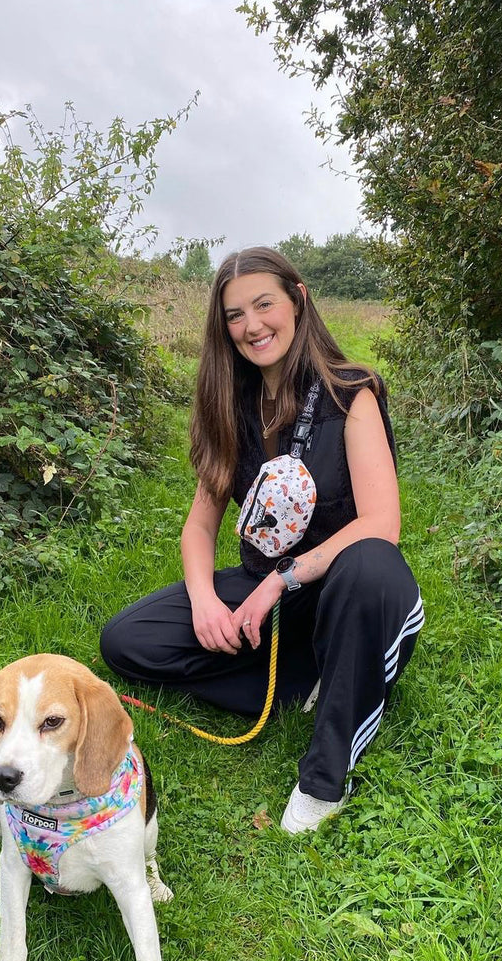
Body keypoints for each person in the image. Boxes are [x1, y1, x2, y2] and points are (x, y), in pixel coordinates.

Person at [100, 247, 423, 832]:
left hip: (345, 588)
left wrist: (281, 579)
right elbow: (200, 525)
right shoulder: (231, 404)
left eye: (263, 304)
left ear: (298, 299)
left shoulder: (351, 392)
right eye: (234, 315)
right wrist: (204, 601)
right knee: (127, 641)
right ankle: (314, 676)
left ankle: (325, 775)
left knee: (371, 563)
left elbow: (382, 522)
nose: (251, 325)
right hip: (267, 596)